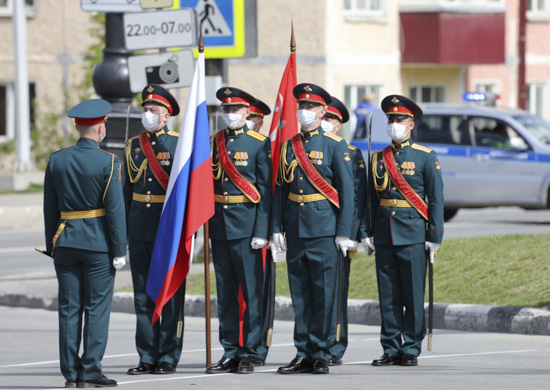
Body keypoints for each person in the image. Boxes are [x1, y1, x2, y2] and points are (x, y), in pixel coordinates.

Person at [43, 99, 127, 388]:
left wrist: (52, 244)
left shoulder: (57, 159)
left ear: (78, 127)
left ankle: (70, 373)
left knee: (68, 310)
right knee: (96, 309)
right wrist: (120, 249)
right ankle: (89, 371)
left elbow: (49, 208)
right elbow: (115, 209)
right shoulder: (109, 161)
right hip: (98, 244)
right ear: (101, 127)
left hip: (65, 242)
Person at [272, 83, 354, 375]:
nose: (303, 112)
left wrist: (344, 231)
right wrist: (275, 228)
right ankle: (302, 351)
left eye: (310, 107)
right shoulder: (288, 146)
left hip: (324, 230)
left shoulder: (334, 146)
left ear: (322, 111)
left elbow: (347, 191)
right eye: (301, 106)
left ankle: (320, 352)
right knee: (301, 295)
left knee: (323, 294)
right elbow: (281, 190)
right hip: (295, 228)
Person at [364, 94, 444, 367]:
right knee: (388, 295)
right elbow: (371, 199)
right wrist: (368, 231)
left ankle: (410, 346)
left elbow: (435, 199)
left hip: (412, 234)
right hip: (385, 233)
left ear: (411, 124)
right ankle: (390, 346)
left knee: (411, 293)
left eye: (399, 119)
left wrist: (434, 236)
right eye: (390, 119)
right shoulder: (378, 157)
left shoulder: (424, 157)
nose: (394, 123)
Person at [206, 87, 273, 375]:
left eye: (235, 110)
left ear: (247, 113)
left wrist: (262, 229)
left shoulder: (259, 143)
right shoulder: (214, 142)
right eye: (226, 110)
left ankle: (251, 350)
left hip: (247, 228)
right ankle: (230, 350)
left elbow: (266, 191)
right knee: (226, 293)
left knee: (252, 293)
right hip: (220, 226)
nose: (229, 115)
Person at [125, 84, 183, 375]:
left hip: (166, 226)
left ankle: (168, 355)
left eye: (153, 111)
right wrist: (122, 232)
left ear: (166, 116)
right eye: (145, 109)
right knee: (142, 293)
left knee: (167, 292)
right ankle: (146, 354)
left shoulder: (177, 144)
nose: (147, 115)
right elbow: (126, 190)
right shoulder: (133, 145)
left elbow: (184, 192)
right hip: (138, 226)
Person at [322, 96, 367, 366]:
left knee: (337, 291)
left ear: (338, 126)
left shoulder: (349, 152)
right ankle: (315, 344)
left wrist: (355, 233)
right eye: (323, 117)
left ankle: (335, 345)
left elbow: (358, 196)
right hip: (314, 229)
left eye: (330, 119)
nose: (325, 123)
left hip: (341, 232)